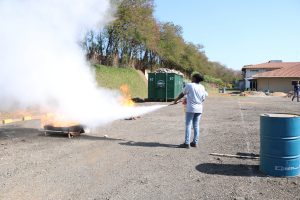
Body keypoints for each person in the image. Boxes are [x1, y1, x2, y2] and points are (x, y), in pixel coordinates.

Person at [173, 72, 207, 149]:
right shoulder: (202, 87)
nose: (191, 79)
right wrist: (188, 99)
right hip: (199, 109)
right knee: (196, 126)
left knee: (188, 125)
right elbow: (203, 98)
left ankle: (187, 143)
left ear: (195, 78)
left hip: (191, 108)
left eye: (192, 77)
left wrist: (176, 100)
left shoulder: (189, 85)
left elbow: (182, 93)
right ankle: (195, 142)